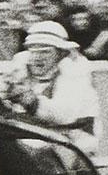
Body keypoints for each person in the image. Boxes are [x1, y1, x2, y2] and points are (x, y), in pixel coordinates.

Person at [6, 19, 99, 163]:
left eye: (45, 52)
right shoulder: (21, 64)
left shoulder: (75, 71)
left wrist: (30, 100)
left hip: (73, 136)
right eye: (33, 51)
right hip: (37, 134)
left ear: (60, 53)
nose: (37, 57)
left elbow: (65, 115)